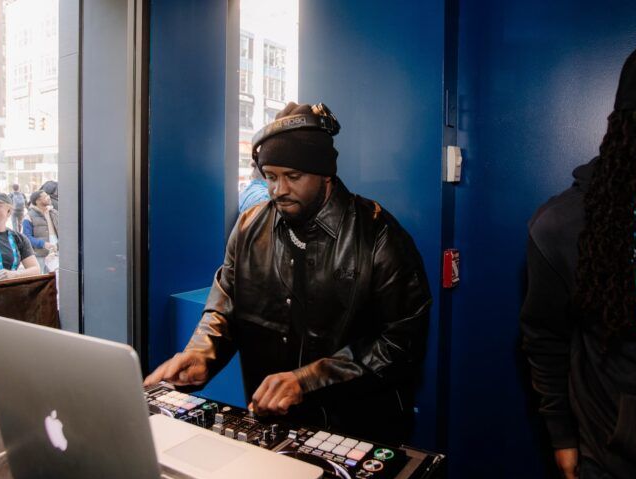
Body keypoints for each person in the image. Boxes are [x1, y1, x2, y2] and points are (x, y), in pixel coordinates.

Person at [145, 102, 432, 445]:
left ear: (325, 173)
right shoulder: (249, 227)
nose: (278, 189)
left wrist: (308, 380)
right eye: (270, 176)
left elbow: (402, 342)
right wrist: (201, 353)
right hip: (272, 425)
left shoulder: (379, 236)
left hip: (359, 431)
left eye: (293, 177)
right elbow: (225, 307)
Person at [522, 39, 636, 479]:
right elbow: (545, 338)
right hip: (618, 466)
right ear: (628, 132)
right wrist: (562, 437)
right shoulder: (563, 226)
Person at [22, 190, 59, 273]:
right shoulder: (29, 216)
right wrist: (43, 244)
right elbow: (26, 238)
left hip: (56, 252)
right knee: (43, 278)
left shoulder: (53, 212)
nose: (49, 197)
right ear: (38, 201)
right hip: (41, 255)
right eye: (45, 196)